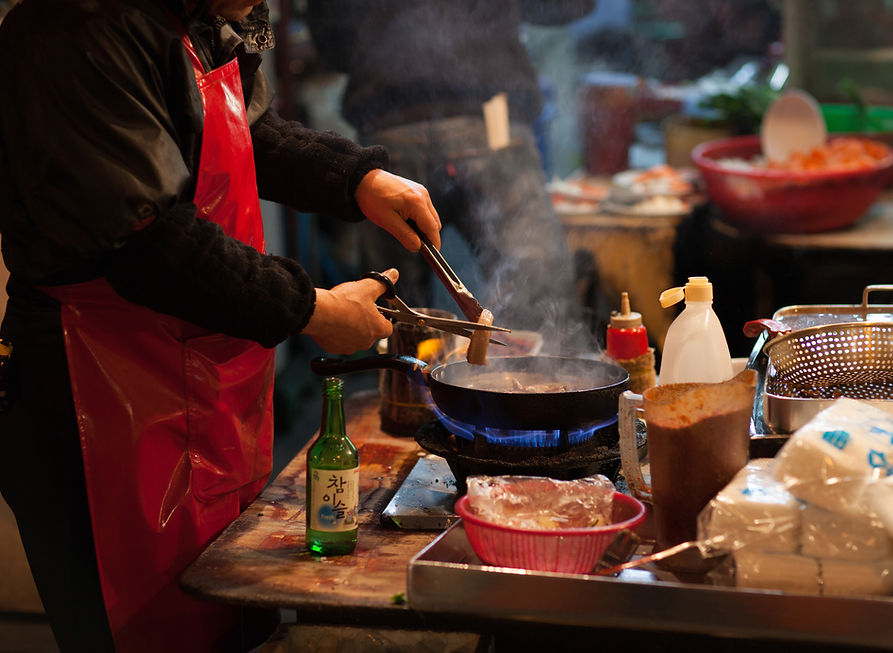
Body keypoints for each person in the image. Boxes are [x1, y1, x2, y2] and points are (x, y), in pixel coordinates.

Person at [0, 0, 441, 651]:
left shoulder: (201, 14)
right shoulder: (76, 29)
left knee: (230, 620)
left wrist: (357, 179)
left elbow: (244, 129)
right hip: (96, 393)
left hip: (201, 378)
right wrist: (313, 309)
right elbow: (151, 244)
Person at [307, 0, 597, 352]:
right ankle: (543, 398)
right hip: (490, 117)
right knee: (534, 300)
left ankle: (407, 400)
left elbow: (330, 40)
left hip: (389, 124)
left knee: (394, 316)